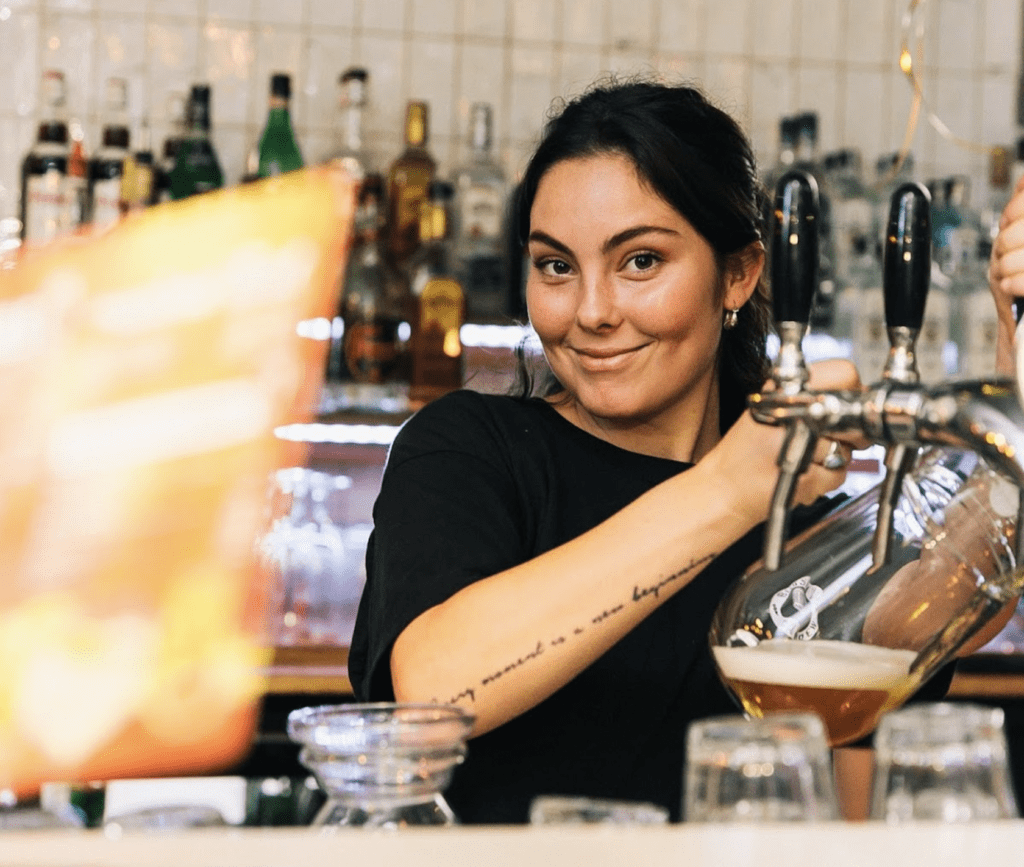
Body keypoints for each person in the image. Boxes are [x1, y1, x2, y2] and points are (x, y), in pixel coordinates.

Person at [348, 78, 862, 824]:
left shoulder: (821, 538)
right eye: (556, 266)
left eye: (641, 261)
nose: (590, 311)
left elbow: (860, 821)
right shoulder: (468, 450)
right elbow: (433, 689)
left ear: (739, 274)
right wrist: (728, 491)